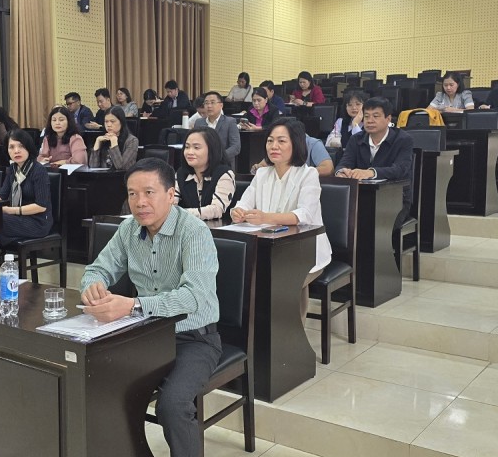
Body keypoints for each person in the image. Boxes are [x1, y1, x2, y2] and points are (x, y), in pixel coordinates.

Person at [81, 158, 221, 457]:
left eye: (148, 192)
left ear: (171, 194)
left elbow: (194, 297)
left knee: (172, 405)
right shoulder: (129, 228)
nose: (140, 202)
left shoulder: (194, 232)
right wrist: (94, 286)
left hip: (194, 337)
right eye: (132, 194)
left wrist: (132, 305)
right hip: (145, 335)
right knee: (96, 382)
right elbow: (96, 269)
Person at [231, 118, 331, 319]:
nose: (273, 146)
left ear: (296, 144)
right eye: (270, 141)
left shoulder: (308, 174)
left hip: (305, 249)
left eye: (281, 141)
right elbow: (244, 202)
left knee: (282, 280)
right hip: (267, 247)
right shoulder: (262, 174)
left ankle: (287, 336)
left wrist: (266, 217)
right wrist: (238, 211)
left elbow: (304, 215)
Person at [0, 130, 52, 274]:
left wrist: (10, 210)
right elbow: (2, 197)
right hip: (17, 218)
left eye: (21, 146)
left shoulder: (38, 170)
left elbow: (41, 206)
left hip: (37, 221)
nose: (16, 150)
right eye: (11, 147)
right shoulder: (12, 169)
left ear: (29, 148)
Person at [335, 97, 415, 227]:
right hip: (361, 197)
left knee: (371, 222)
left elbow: (400, 169)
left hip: (395, 199)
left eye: (375, 116)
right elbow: (343, 163)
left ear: (388, 119)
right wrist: (342, 172)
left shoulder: (403, 140)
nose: (370, 120)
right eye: (366, 116)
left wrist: (370, 173)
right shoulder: (356, 139)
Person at [174, 127, 234, 220]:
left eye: (196, 147)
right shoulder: (181, 173)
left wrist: (180, 214)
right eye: (187, 147)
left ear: (211, 149)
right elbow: (170, 203)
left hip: (217, 231)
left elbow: (216, 210)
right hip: (188, 229)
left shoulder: (224, 174)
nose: (189, 152)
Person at [192, 91, 240, 169]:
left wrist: (218, 158)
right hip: (202, 165)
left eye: (212, 102)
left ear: (221, 105)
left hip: (224, 165)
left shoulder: (230, 122)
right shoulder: (199, 122)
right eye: (206, 103)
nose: (209, 106)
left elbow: (236, 147)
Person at [88, 106, 138, 171]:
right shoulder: (103, 139)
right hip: (103, 178)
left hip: (121, 178)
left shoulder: (132, 140)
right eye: (106, 121)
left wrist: (114, 143)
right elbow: (93, 166)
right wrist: (97, 143)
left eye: (112, 121)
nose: (108, 125)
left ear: (121, 122)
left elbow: (120, 166)